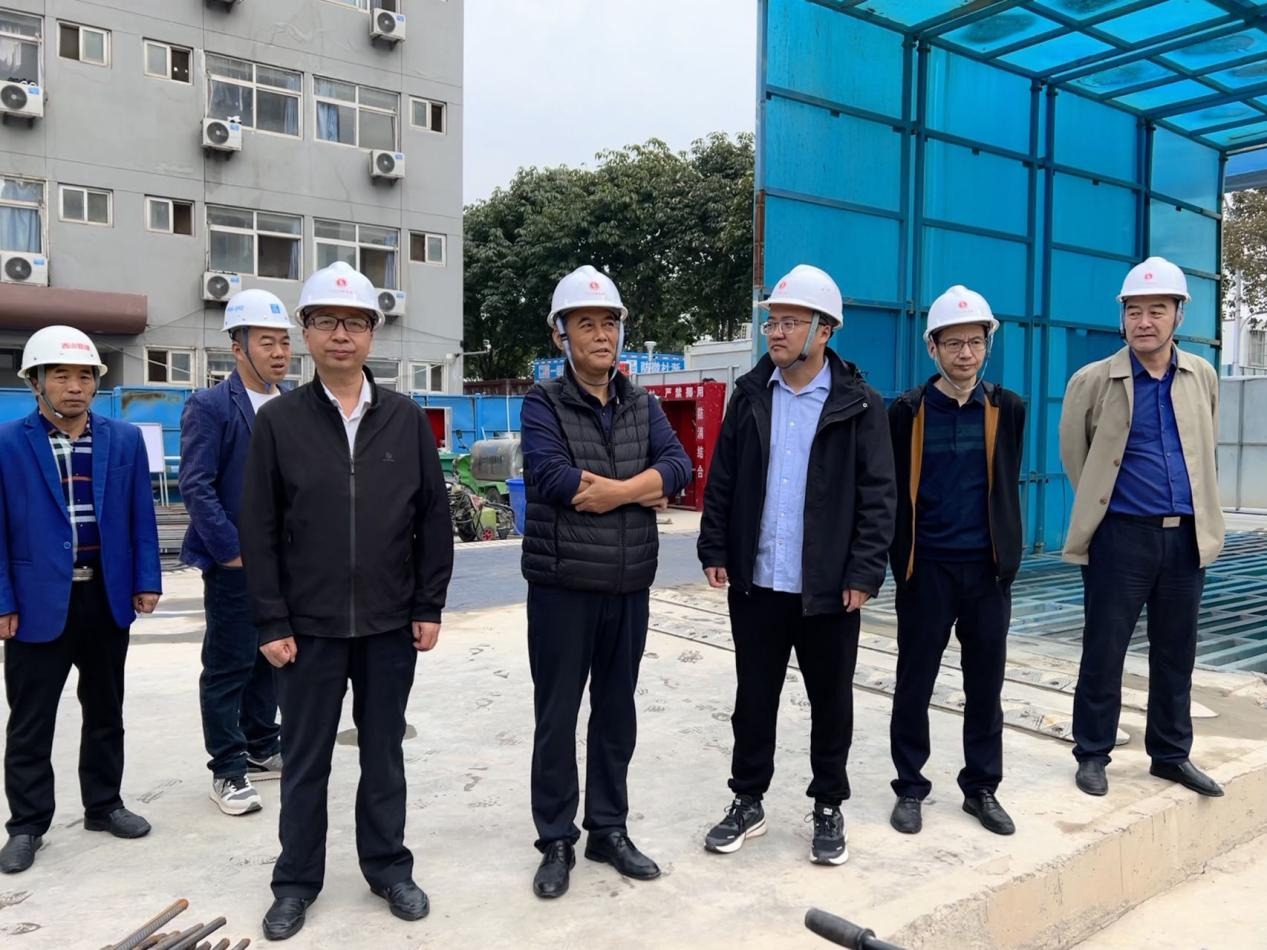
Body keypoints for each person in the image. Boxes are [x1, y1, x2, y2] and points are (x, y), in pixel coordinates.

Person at [239, 261, 454, 940]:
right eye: (327, 321)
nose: (341, 334)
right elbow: (258, 528)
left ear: (371, 334)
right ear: (306, 332)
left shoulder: (405, 419)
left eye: (355, 323)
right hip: (308, 628)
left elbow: (433, 519)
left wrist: (428, 604)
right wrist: (271, 619)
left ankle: (388, 868)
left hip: (390, 622)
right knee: (305, 760)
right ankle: (295, 882)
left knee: (383, 753)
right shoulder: (279, 422)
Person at [697, 264, 895, 866]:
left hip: (828, 588)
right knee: (753, 699)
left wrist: (864, 572)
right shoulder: (752, 394)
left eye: (789, 322)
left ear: (824, 330)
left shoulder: (860, 404)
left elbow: (879, 495)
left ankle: (828, 805)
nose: (775, 332)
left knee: (831, 702)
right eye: (772, 321)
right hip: (758, 582)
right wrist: (714, 547)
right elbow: (724, 477)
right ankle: (747, 800)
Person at [520, 265, 691, 900]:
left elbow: (678, 466)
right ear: (561, 335)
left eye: (609, 323)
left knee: (616, 713)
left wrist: (616, 491)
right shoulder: (543, 402)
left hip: (628, 584)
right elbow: (553, 477)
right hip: (563, 586)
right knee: (557, 715)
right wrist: (643, 491)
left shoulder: (642, 405)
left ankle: (608, 829)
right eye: (586, 323)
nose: (601, 335)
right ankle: (556, 838)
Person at [1060, 256, 1225, 799]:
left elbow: (1204, 447)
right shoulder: (1093, 380)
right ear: (1122, 317)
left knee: (1176, 652)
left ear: (1179, 315)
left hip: (1185, 539)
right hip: (1121, 537)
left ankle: (1171, 755)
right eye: (1134, 311)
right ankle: (1092, 753)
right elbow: (1076, 456)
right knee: (1104, 648)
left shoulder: (1201, 376)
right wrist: (1107, 510)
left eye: (1157, 310)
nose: (1144, 321)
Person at [0, 326, 161, 874]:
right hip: (36, 602)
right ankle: (27, 825)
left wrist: (146, 579)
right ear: (36, 382)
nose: (75, 387)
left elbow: (141, 515)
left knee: (106, 709)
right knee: (31, 720)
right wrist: (3, 601)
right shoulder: (8, 444)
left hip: (104, 597)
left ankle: (104, 805)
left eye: (86, 376)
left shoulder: (124, 440)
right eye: (62, 376)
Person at [886, 285, 1025, 837]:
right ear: (933, 348)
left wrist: (1007, 555)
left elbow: (1006, 484)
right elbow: (893, 490)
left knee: (985, 685)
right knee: (914, 682)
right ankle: (909, 786)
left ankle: (981, 787)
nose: (965, 354)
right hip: (927, 571)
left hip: (986, 573)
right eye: (953, 343)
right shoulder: (907, 411)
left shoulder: (1007, 408)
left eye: (975, 342)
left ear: (988, 345)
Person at [180, 289, 294, 817]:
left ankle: (261, 744)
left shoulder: (292, 404)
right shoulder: (211, 406)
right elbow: (196, 485)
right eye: (266, 342)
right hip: (238, 566)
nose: (279, 352)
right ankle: (227, 768)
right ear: (237, 346)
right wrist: (231, 552)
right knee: (228, 665)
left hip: (286, 562)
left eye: (284, 342)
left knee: (271, 657)